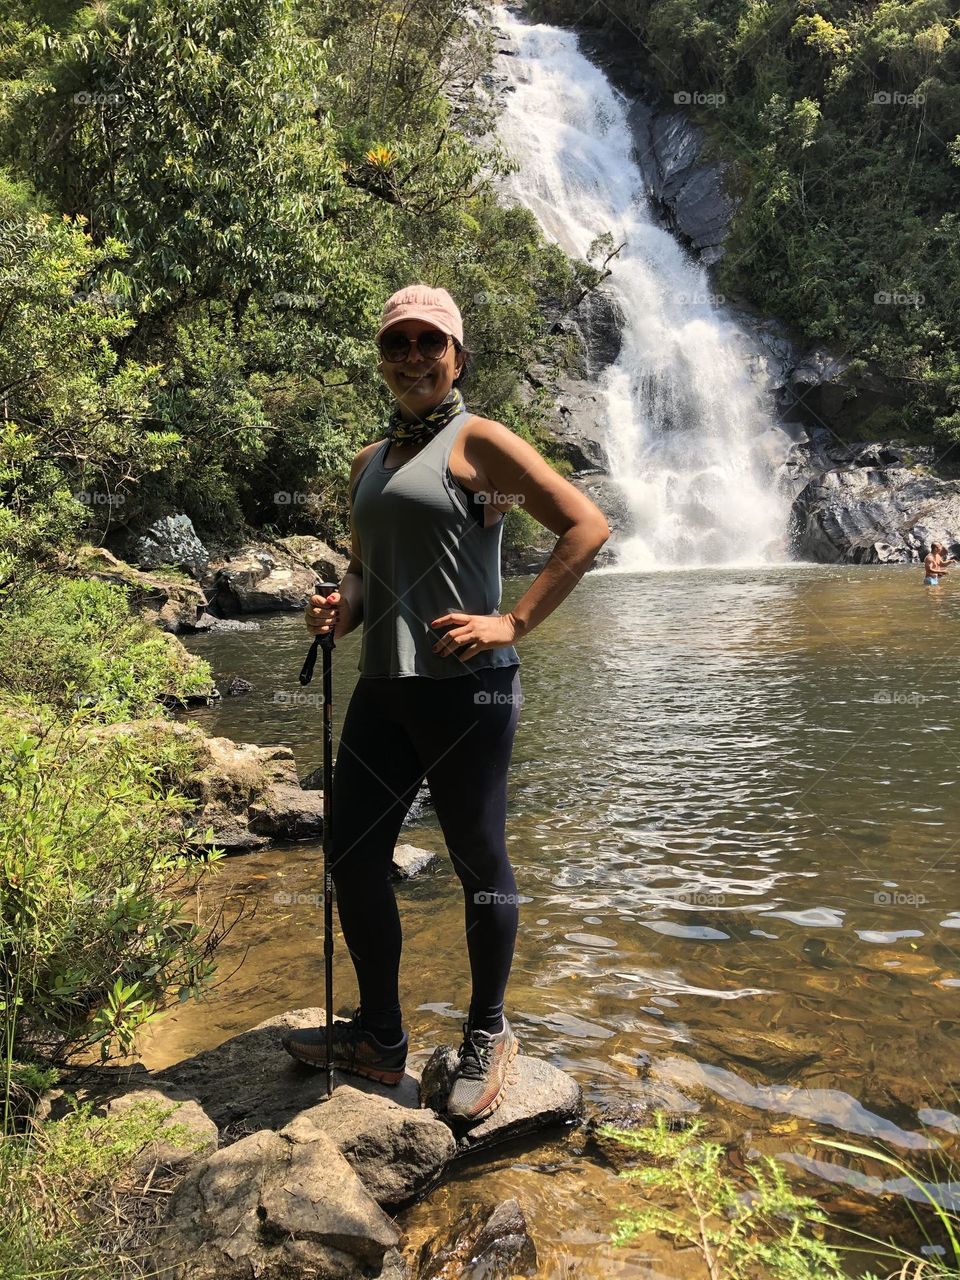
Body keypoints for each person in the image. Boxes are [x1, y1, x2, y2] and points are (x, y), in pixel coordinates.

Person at [281, 283, 610, 1122]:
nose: (413, 358)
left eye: (430, 343)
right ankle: (382, 1037)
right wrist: (338, 609)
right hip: (383, 691)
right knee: (353, 857)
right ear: (383, 359)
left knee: (478, 864)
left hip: (469, 692)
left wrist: (512, 621)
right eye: (398, 345)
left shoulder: (481, 444)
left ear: (457, 356)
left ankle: (488, 1032)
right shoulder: (369, 460)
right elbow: (362, 574)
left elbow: (585, 525)